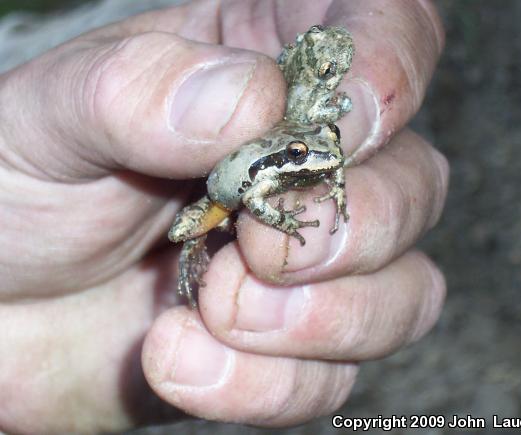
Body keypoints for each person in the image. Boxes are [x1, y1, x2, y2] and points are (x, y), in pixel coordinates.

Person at [0, 0, 449, 432]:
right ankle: (196, 248)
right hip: (219, 199)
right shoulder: (265, 165)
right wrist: (287, 222)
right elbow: (255, 199)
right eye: (295, 154)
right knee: (186, 230)